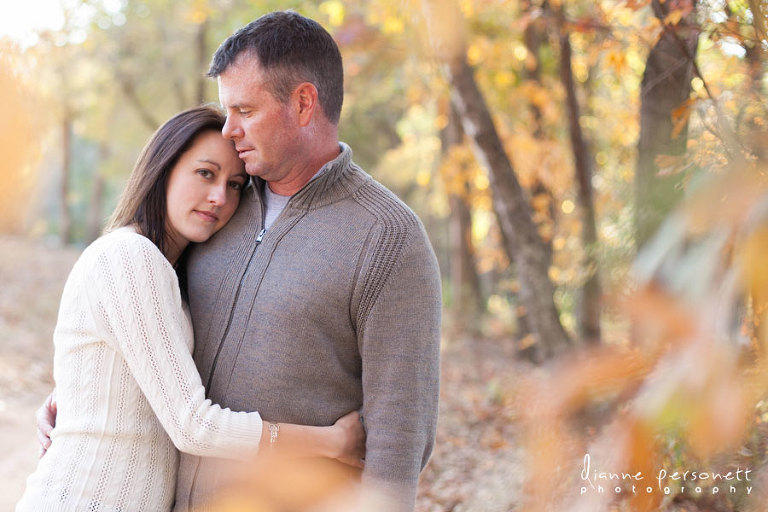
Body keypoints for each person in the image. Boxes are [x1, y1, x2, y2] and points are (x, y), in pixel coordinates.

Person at [40, 9, 442, 512]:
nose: (230, 130)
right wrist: (80, 393)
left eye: (245, 110)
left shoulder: (387, 238)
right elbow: (145, 330)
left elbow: (399, 436)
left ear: (302, 103)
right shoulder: (218, 208)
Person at [21, 105, 365, 512]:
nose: (220, 196)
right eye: (205, 173)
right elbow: (195, 425)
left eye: (236, 184)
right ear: (164, 169)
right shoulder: (131, 256)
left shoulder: (170, 275)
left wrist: (74, 392)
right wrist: (333, 442)